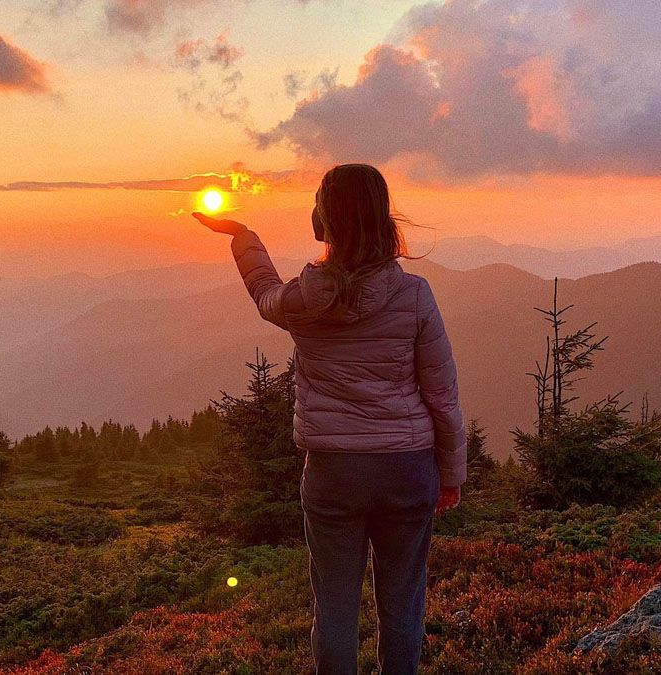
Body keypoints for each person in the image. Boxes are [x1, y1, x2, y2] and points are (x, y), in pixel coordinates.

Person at [194, 163, 465, 675]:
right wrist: (451, 473)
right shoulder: (414, 295)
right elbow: (443, 395)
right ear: (383, 220)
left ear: (325, 222)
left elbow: (264, 294)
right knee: (402, 605)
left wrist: (244, 238)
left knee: (335, 609)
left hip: (334, 471)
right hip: (407, 468)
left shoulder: (305, 298)